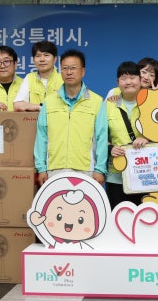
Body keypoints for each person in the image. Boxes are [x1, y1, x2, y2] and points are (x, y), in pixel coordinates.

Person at [34, 49, 108, 186]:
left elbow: (102, 137)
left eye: (73, 68)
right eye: (65, 68)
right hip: (54, 169)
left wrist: (100, 169)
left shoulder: (96, 101)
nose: (69, 72)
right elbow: (41, 136)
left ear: (82, 71)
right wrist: (41, 168)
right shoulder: (49, 102)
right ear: (60, 71)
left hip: (86, 170)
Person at [106, 61, 149, 208]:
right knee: (119, 216)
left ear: (140, 80)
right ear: (118, 82)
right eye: (124, 78)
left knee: (146, 217)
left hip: (147, 173)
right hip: (117, 174)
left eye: (132, 77)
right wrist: (110, 148)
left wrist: (147, 138)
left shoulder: (151, 103)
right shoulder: (108, 105)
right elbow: (98, 136)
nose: (129, 82)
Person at [13, 41, 63, 112]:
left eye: (46, 55)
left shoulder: (63, 79)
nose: (42, 59)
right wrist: (40, 107)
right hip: (34, 119)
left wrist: (32, 107)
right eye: (38, 56)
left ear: (55, 59)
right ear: (33, 60)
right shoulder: (30, 78)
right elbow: (18, 105)